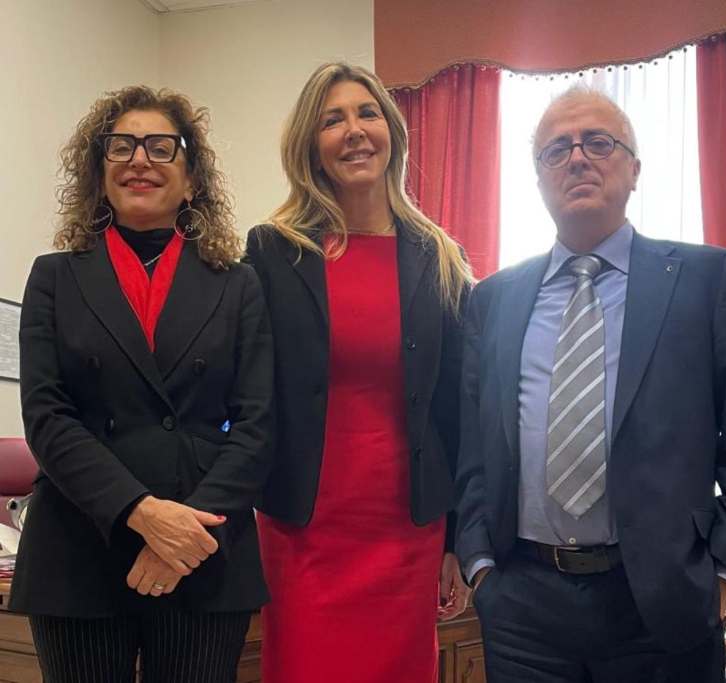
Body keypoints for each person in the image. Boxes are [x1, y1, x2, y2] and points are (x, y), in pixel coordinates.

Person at [455, 86, 726, 683]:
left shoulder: (707, 280)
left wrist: (721, 574)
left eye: (598, 143)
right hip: (523, 608)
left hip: (662, 606)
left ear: (634, 169)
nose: (577, 158)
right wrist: (479, 564)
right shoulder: (494, 299)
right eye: (557, 149)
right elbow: (473, 445)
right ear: (538, 178)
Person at [10, 85, 273, 683]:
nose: (139, 160)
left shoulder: (238, 285)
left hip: (203, 546)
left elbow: (258, 425)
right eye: (121, 146)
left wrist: (184, 531)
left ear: (192, 177)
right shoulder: (53, 277)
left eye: (160, 147)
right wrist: (140, 512)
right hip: (78, 546)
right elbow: (46, 416)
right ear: (99, 172)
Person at [245, 62, 471, 683]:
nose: (354, 130)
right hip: (303, 532)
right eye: (332, 120)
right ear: (310, 146)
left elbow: (457, 410)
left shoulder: (440, 257)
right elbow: (248, 395)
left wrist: (456, 538)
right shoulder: (274, 250)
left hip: (407, 531)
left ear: (391, 131)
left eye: (367, 113)